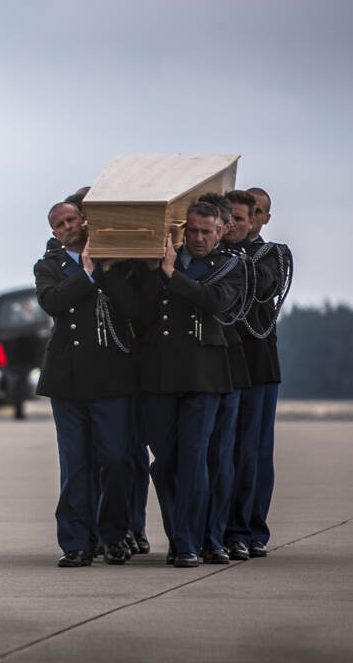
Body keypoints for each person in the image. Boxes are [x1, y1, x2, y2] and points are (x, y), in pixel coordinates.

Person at [135, 202, 243, 567]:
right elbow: (138, 310)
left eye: (206, 232)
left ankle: (186, 543)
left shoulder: (229, 266)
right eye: (193, 231)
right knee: (165, 463)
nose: (198, 238)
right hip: (161, 375)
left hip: (203, 375)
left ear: (220, 231)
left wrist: (171, 276)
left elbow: (216, 301)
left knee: (194, 461)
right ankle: (181, 534)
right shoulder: (164, 259)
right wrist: (157, 270)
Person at [35, 201, 137, 567]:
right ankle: (76, 542)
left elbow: (133, 308)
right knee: (75, 464)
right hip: (68, 379)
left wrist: (104, 270)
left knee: (115, 460)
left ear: (84, 220)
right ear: (54, 233)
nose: (66, 228)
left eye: (70, 220)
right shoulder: (49, 266)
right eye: (58, 225)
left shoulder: (119, 263)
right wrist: (88, 272)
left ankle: (113, 534)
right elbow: (53, 301)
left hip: (111, 377)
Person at [225, 187, 292, 559]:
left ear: (260, 218)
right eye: (232, 216)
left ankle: (251, 529)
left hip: (257, 365)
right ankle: (223, 528)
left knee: (252, 452)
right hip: (221, 365)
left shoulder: (272, 255)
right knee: (221, 453)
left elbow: (264, 285)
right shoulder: (217, 254)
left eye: (253, 214)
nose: (241, 222)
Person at [201, 196, 253, 564]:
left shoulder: (233, 265)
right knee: (185, 461)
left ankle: (218, 535)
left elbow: (220, 305)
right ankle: (190, 535)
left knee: (223, 458)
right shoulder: (186, 263)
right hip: (185, 371)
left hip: (226, 369)